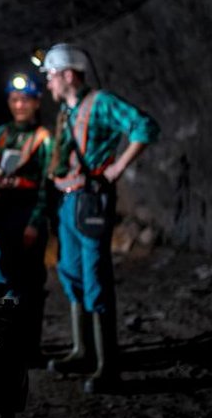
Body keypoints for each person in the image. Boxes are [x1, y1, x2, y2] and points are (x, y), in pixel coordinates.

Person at [38, 43, 160, 393]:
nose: (48, 83)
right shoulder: (66, 112)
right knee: (71, 272)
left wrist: (118, 167)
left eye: (51, 76)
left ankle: (108, 365)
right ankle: (82, 350)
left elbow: (144, 127)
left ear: (68, 74)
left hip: (91, 201)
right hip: (68, 202)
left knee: (95, 277)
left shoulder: (101, 103)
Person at [0, 72, 53, 367]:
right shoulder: (4, 132)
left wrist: (36, 222)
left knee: (31, 282)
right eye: (15, 99)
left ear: (36, 102)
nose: (19, 105)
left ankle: (31, 348)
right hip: (1, 215)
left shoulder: (44, 138)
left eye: (25, 99)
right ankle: (9, 347)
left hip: (26, 216)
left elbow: (46, 185)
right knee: (4, 280)